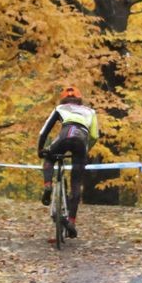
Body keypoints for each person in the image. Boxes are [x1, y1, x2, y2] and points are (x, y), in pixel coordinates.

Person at [36, 86, 99, 238]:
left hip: (65, 135)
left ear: (63, 98)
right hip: (81, 141)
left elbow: (44, 131)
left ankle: (48, 185)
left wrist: (40, 149)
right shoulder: (90, 112)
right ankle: (71, 220)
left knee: (49, 157)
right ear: (79, 99)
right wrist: (85, 150)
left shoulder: (60, 108)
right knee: (76, 184)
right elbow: (95, 136)